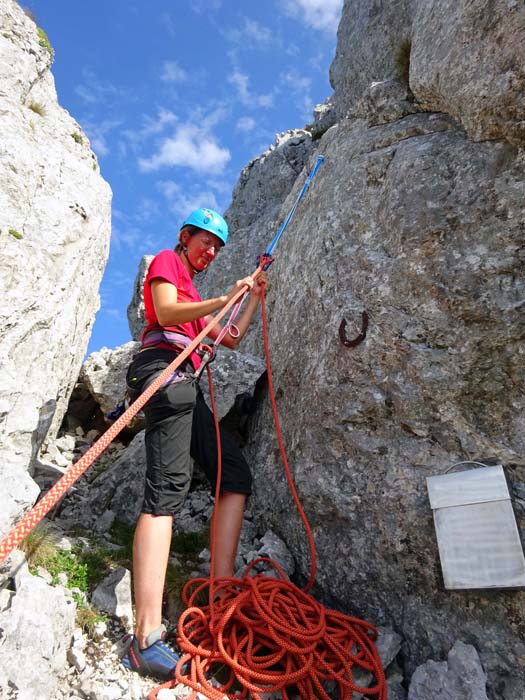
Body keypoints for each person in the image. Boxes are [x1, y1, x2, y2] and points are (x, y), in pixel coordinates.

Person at [122, 208, 266, 680]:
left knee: (235, 475)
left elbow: (232, 336)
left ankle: (220, 593)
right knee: (166, 493)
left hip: (185, 384)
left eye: (217, 248)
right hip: (163, 373)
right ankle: (144, 637)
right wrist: (221, 300)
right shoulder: (167, 262)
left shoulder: (197, 293)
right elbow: (164, 312)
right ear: (185, 238)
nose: (210, 251)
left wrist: (249, 298)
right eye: (206, 242)